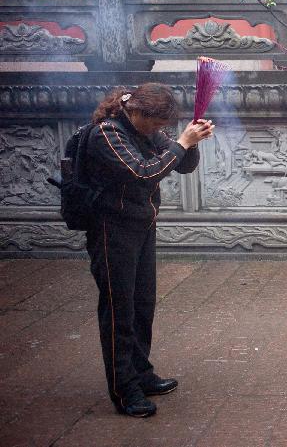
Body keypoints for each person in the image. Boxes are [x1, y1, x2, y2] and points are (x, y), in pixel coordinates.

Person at [84, 83, 214, 417]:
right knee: (118, 311)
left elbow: (182, 165)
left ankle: (141, 373)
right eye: (156, 124)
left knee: (142, 305)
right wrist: (183, 143)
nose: (160, 132)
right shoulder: (107, 135)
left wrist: (192, 140)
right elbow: (143, 174)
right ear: (138, 112)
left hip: (141, 226)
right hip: (112, 231)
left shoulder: (143, 129)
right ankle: (124, 390)